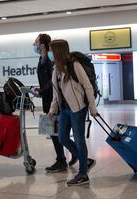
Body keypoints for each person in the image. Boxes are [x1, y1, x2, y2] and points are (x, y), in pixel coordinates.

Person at [48, 39, 98, 186]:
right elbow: (56, 93)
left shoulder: (74, 65)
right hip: (64, 110)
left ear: (57, 51)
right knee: (62, 138)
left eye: (51, 50)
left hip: (78, 109)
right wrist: (52, 109)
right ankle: (85, 160)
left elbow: (88, 86)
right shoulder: (56, 69)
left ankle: (83, 174)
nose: (50, 53)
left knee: (79, 140)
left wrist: (93, 109)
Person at [33, 34, 70, 173]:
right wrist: (40, 90)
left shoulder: (50, 61)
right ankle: (65, 157)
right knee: (53, 132)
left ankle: (61, 160)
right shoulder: (41, 60)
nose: (34, 45)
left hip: (54, 102)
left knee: (55, 132)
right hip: (47, 101)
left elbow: (52, 82)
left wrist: (41, 91)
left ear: (42, 45)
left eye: (36, 42)